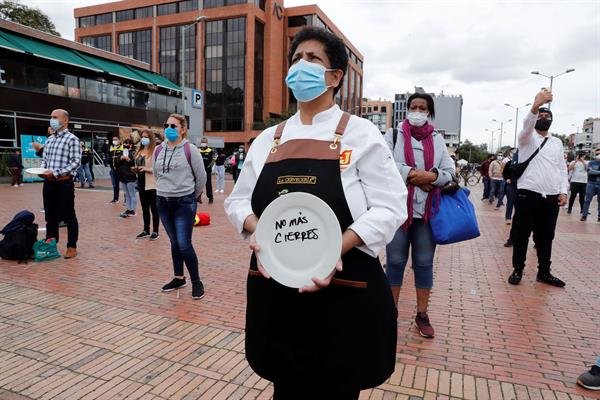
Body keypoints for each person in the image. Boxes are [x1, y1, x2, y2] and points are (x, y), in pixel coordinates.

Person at [224, 26, 407, 399]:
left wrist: (332, 248)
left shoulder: (361, 135)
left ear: (335, 76)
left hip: (343, 293)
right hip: (278, 292)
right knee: (285, 387)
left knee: (337, 389)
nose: (299, 66)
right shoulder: (267, 140)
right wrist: (262, 229)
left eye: (312, 59)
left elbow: (391, 205)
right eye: (295, 59)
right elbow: (237, 201)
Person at [384, 93, 455, 339]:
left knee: (424, 263)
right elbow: (384, 164)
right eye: (413, 106)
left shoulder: (438, 140)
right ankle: (388, 311)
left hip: (426, 214)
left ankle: (422, 314)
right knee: (394, 262)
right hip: (398, 212)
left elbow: (450, 172)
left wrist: (433, 177)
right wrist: (415, 174)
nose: (416, 110)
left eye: (422, 107)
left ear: (429, 112)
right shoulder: (394, 135)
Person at [508, 91, 568, 287]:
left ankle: (544, 272)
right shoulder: (527, 138)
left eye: (547, 116)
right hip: (527, 194)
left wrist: (563, 191)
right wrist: (535, 106)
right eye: (540, 116)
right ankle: (518, 269)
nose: (544, 118)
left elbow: (561, 168)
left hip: (551, 197)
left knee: (546, 236)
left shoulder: (557, 142)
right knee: (522, 234)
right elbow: (526, 125)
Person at [154, 114, 207, 299]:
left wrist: (193, 196)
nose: (169, 128)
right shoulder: (158, 150)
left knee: (184, 244)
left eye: (173, 126)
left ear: (183, 129)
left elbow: (201, 177)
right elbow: (156, 173)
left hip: (184, 202)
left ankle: (196, 282)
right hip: (163, 201)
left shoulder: (190, 150)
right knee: (174, 242)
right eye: (166, 124)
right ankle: (179, 277)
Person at [38, 109, 81, 259]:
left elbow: (76, 162)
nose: (52, 120)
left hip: (64, 183)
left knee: (69, 216)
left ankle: (71, 246)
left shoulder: (72, 139)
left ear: (65, 121)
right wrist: (42, 170)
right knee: (50, 216)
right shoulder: (50, 139)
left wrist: (55, 173)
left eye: (55, 117)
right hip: (48, 183)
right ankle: (51, 245)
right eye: (51, 117)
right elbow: (45, 159)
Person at [134, 129, 160, 240]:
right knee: (144, 208)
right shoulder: (139, 151)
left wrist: (147, 169)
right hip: (141, 181)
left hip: (151, 183)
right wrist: (135, 170)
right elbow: (138, 165)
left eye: (146, 137)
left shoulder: (155, 151)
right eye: (142, 137)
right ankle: (146, 230)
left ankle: (155, 231)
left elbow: (158, 169)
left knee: (154, 208)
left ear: (151, 138)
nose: (144, 139)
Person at [116, 139, 137, 218]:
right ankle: (129, 209)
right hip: (122, 176)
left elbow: (135, 163)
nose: (125, 145)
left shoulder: (134, 152)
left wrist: (129, 159)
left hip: (130, 176)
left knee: (132, 194)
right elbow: (116, 160)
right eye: (124, 143)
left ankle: (133, 210)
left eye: (127, 144)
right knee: (127, 194)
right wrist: (120, 158)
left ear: (131, 145)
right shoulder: (122, 151)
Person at [580, 148, 600, 222]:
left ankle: (599, 216)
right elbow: (590, 172)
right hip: (591, 183)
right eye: (597, 154)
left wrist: (595, 172)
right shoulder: (591, 163)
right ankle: (584, 215)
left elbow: (592, 171)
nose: (598, 155)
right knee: (587, 200)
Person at [108, 137, 125, 203]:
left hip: (121, 170)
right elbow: (109, 157)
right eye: (113, 140)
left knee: (124, 185)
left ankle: (126, 200)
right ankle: (115, 199)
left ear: (119, 140)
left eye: (116, 140)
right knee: (115, 185)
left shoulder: (123, 148)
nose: (114, 141)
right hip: (113, 170)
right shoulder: (111, 148)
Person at [503, 149, 517, 224]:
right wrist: (507, 179)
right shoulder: (509, 163)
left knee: (519, 203)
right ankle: (508, 218)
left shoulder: (522, 163)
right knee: (510, 202)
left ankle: (517, 218)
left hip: (520, 186)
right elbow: (504, 173)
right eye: (513, 153)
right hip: (510, 185)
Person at [199, 137, 215, 204]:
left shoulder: (210, 150)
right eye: (202, 142)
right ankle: (198, 197)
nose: (203, 143)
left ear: (207, 143)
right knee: (199, 184)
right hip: (200, 170)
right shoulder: (198, 150)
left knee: (208, 184)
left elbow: (213, 160)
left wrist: (208, 166)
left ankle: (210, 198)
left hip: (207, 170)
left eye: (204, 142)